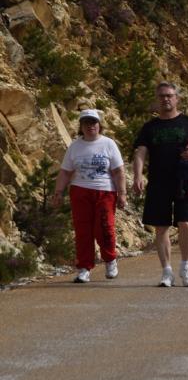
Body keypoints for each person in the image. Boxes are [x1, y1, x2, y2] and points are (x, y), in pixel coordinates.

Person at [133, 82, 188, 287]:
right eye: (162, 96)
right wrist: (138, 175)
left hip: (185, 179)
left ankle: (185, 266)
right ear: (156, 100)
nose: (166, 99)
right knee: (161, 227)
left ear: (177, 98)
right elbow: (140, 152)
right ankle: (166, 272)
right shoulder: (150, 127)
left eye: (169, 95)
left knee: (185, 223)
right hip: (158, 181)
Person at [52, 110, 126, 283]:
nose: (90, 126)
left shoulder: (108, 144)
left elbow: (118, 171)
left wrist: (122, 194)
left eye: (93, 122)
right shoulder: (75, 146)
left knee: (104, 227)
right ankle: (84, 267)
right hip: (80, 191)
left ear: (99, 124)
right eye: (86, 123)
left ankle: (110, 260)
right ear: (81, 126)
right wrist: (58, 193)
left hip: (105, 191)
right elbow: (65, 172)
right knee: (83, 230)